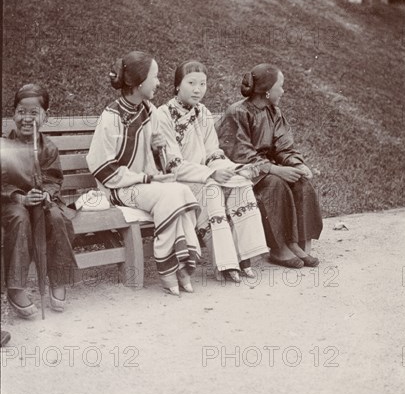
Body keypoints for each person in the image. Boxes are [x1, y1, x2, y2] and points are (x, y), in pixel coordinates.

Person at [86, 52, 201, 296]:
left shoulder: (149, 111)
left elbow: (155, 163)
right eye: (155, 77)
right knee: (169, 196)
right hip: (118, 189)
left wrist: (156, 149)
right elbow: (102, 167)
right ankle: (168, 266)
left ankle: (182, 263)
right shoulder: (111, 117)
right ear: (139, 83)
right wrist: (146, 178)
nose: (159, 83)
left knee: (182, 190)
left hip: (145, 185)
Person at [157, 61, 268, 282]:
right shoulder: (163, 115)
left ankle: (243, 256)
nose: (198, 89)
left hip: (206, 175)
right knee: (213, 191)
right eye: (191, 83)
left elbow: (212, 152)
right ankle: (225, 263)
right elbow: (172, 163)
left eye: (202, 84)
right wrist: (210, 175)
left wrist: (234, 169)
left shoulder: (203, 112)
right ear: (177, 85)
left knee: (241, 185)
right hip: (177, 182)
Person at [216, 64, 323, 269]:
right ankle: (279, 247)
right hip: (243, 171)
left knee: (300, 181)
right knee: (275, 184)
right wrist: (274, 169)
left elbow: (283, 147)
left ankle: (298, 244)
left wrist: (297, 164)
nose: (283, 91)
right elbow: (239, 153)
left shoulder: (274, 112)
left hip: (265, 168)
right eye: (280, 86)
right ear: (267, 91)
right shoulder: (237, 112)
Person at [1, 84, 77, 318]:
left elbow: (54, 179)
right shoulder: (4, 146)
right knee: (19, 218)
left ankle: (58, 280)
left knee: (56, 217)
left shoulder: (49, 148)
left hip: (42, 202)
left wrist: (45, 194)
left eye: (34, 113)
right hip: (11, 204)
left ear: (45, 116)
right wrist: (20, 197)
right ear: (13, 114)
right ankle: (16, 287)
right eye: (21, 111)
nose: (26, 118)